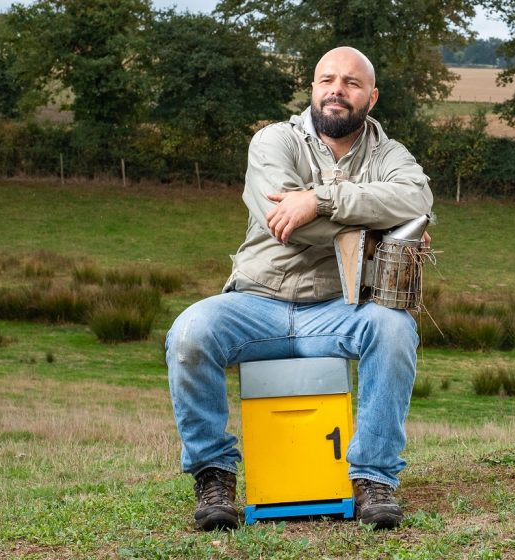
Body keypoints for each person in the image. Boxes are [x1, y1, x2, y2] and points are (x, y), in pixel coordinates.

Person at [166, 46, 433, 531]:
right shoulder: (273, 141)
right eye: (326, 79)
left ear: (371, 97)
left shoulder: (390, 153)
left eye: (351, 83)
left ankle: (373, 479)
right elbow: (281, 223)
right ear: (312, 88)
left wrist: (317, 199)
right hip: (254, 304)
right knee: (189, 332)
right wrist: (378, 229)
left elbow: (417, 199)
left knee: (393, 327)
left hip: (339, 310)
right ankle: (214, 476)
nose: (337, 89)